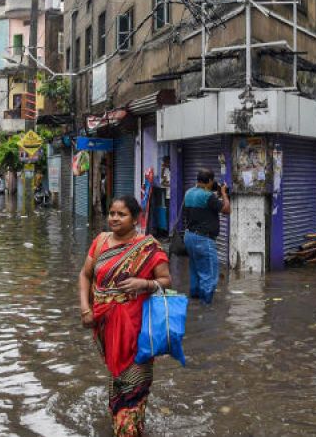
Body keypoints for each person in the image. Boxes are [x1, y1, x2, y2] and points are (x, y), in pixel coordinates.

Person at [78, 195, 171, 436]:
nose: (114, 218)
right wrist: (85, 309)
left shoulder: (148, 248)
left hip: (138, 329)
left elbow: (166, 281)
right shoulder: (100, 242)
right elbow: (85, 275)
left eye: (122, 214)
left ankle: (128, 426)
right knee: (116, 378)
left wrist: (144, 283)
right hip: (105, 325)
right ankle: (124, 421)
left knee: (134, 382)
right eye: (111, 213)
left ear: (136, 218)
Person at [183, 168, 231, 304]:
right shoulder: (207, 196)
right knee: (209, 274)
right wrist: (223, 194)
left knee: (195, 269)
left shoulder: (188, 193)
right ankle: (206, 306)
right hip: (203, 239)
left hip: (189, 236)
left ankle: (194, 300)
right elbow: (227, 210)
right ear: (210, 181)